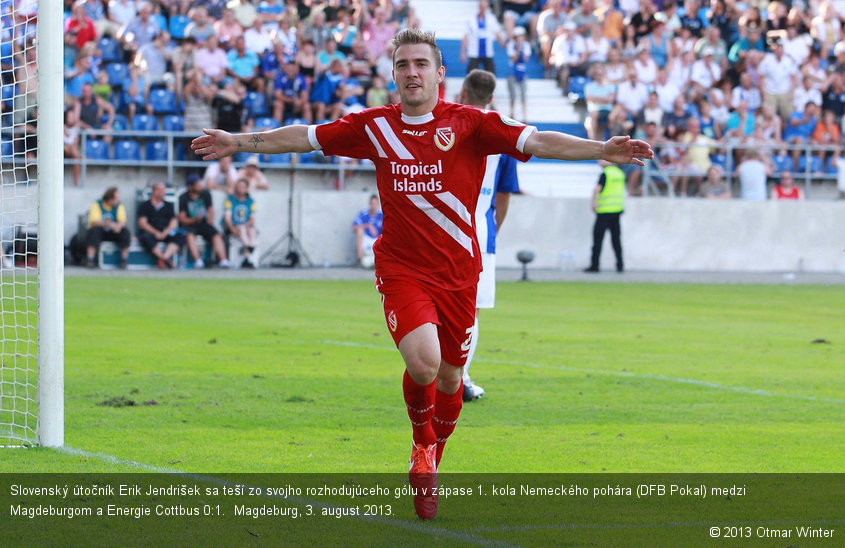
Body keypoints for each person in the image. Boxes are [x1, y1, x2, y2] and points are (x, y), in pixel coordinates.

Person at [191, 28, 652, 521]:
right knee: (425, 363)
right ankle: (420, 445)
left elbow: (537, 140)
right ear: (393, 73)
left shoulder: (472, 123)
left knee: (453, 378)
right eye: (403, 64)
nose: (411, 72)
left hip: (459, 274)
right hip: (402, 269)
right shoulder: (374, 127)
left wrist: (600, 148)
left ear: (439, 73)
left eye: (420, 64)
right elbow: (303, 137)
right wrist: (236, 142)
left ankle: (434, 456)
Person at [458, 69, 521, 403]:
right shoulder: (504, 134)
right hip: (482, 233)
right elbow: (505, 194)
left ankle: (440, 378)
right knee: (472, 309)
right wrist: (494, 228)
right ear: (492, 98)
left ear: (463, 93)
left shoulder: (450, 125)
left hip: (445, 231)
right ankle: (460, 379)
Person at [179, 173, 231, 268]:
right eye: (198, 184)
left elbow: (211, 210)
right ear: (191, 186)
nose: (200, 186)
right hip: (190, 224)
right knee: (189, 235)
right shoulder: (183, 198)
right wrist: (194, 220)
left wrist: (210, 219)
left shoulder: (205, 194)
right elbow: (182, 218)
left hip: (204, 223)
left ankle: (223, 260)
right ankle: (198, 261)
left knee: (216, 235)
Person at [584, 160, 625, 273]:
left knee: (598, 240)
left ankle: (595, 265)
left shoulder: (605, 173)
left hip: (604, 211)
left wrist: (594, 204)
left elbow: (597, 189)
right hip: (616, 210)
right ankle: (620, 265)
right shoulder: (619, 173)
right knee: (616, 240)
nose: (599, 161)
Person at [137, 181, 186, 269]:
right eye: (160, 190)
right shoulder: (145, 205)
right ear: (154, 191)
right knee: (145, 237)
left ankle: (165, 257)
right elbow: (142, 223)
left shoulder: (168, 205)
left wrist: (166, 232)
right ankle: (161, 257)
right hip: (151, 232)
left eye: (164, 190)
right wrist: (155, 232)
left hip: (165, 232)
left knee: (180, 236)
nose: (163, 192)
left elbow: (173, 221)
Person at [85, 187, 131, 268]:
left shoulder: (119, 205)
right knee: (93, 231)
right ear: (110, 198)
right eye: (116, 198)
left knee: (125, 232)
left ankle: (124, 259)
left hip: (113, 232)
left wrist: (118, 226)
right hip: (101, 230)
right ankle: (90, 259)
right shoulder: (97, 204)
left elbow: (123, 221)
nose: (118, 200)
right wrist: (109, 224)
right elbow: (94, 221)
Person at [223, 178, 259, 268]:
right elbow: (227, 218)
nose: (240, 189)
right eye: (239, 186)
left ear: (247, 188)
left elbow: (252, 219)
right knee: (242, 229)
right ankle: (250, 248)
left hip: (246, 226)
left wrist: (246, 226)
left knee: (252, 231)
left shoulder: (251, 201)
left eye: (243, 187)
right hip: (233, 227)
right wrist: (232, 229)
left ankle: (247, 254)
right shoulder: (230, 200)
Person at [460, 0, 503, 74]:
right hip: (473, 51)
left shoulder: (491, 19)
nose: (483, 8)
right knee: (471, 75)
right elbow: (465, 36)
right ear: (479, 6)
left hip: (488, 52)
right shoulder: (471, 19)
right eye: (481, 6)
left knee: (491, 75)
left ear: (487, 7)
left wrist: (502, 43)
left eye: (485, 6)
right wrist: (463, 52)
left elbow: (497, 33)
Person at [352, 194, 382, 268]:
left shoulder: (381, 215)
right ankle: (360, 259)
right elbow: (354, 227)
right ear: (369, 204)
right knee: (359, 231)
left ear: (378, 204)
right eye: (372, 203)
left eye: (375, 204)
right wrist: (368, 225)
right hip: (367, 239)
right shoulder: (363, 214)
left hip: (377, 239)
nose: (373, 206)